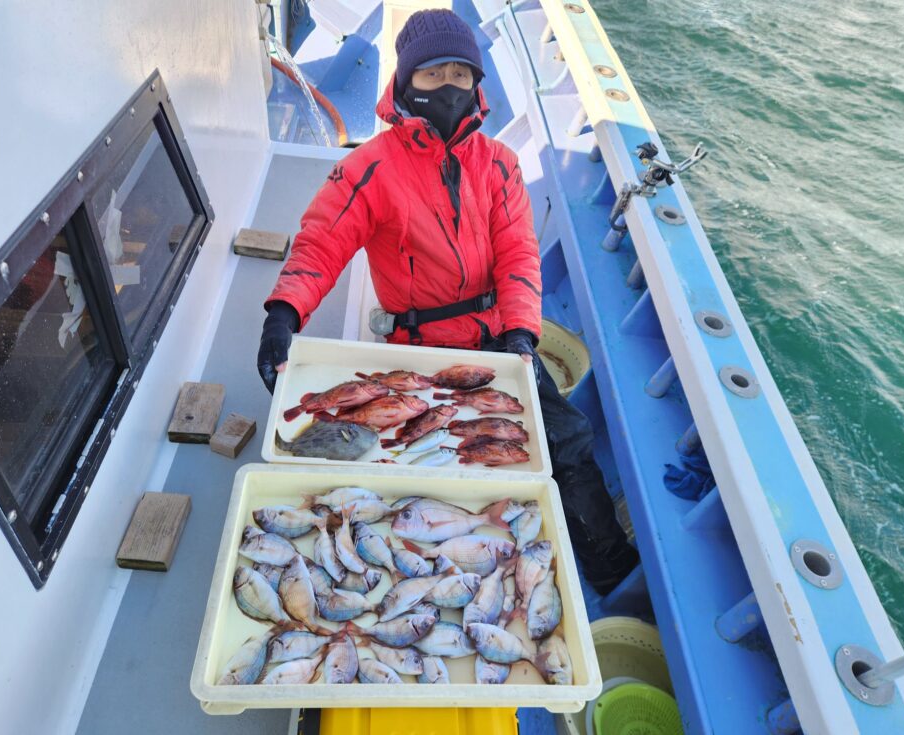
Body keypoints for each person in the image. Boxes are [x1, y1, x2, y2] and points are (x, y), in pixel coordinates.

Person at [257, 9, 639, 594]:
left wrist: (520, 335)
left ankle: (609, 571)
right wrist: (285, 313)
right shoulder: (369, 167)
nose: (450, 88)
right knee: (409, 463)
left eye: (462, 74)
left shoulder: (501, 165)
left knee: (566, 437)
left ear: (477, 84)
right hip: (417, 351)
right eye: (434, 75)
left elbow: (518, 256)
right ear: (407, 83)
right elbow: (322, 241)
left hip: (494, 340)